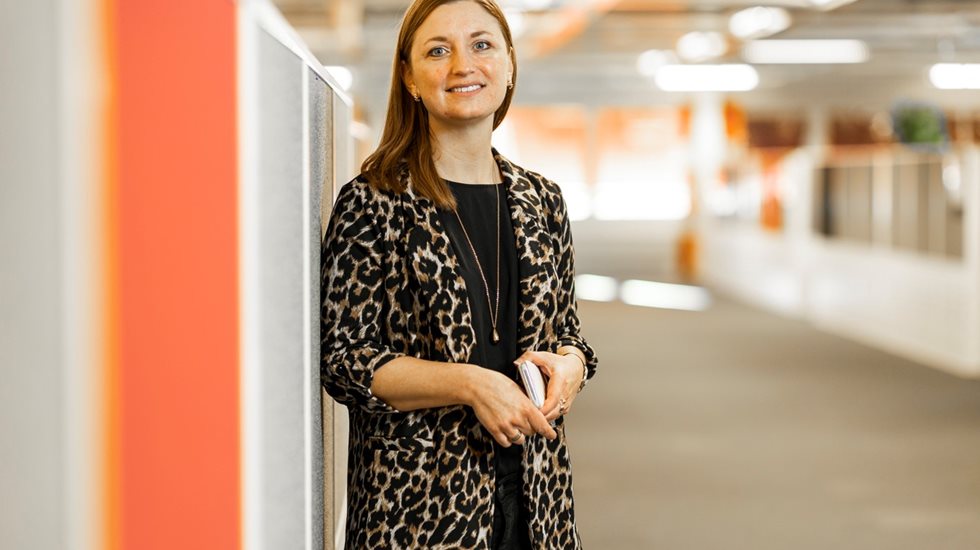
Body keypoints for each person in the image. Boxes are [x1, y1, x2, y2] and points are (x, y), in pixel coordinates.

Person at [320, 0, 597, 547]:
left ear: (509, 64)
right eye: (438, 51)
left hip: (538, 504)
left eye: (482, 45)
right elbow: (345, 360)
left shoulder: (543, 200)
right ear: (409, 77)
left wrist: (573, 365)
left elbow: (567, 331)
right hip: (418, 513)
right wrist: (469, 384)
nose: (463, 65)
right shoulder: (374, 202)